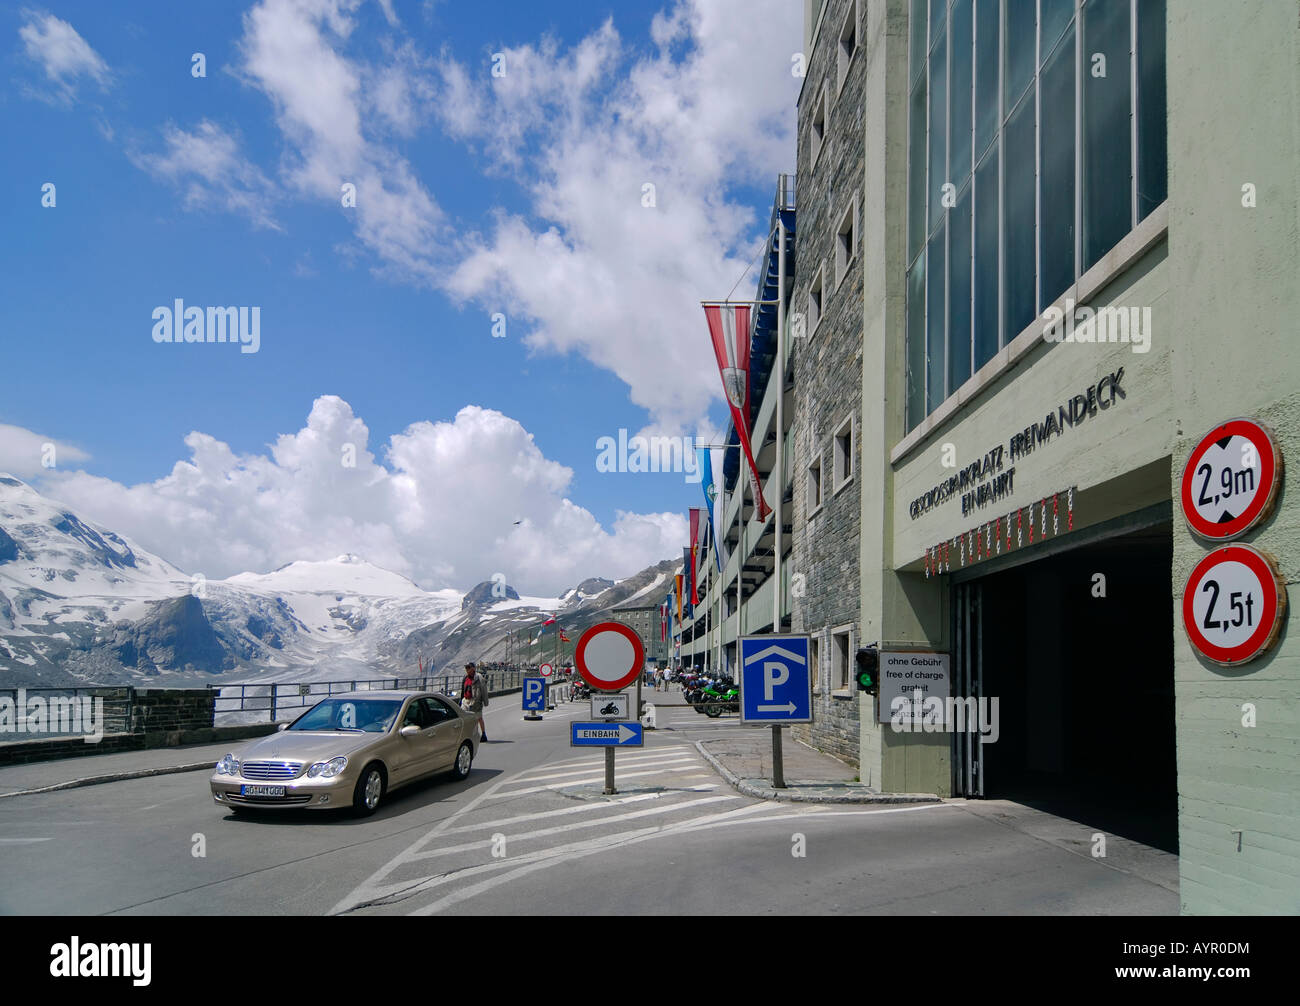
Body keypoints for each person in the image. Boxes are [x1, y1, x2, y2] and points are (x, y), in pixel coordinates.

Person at [469, 661, 490, 742]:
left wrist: (485, 701)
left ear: (473, 668)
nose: (468, 669)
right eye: (467, 667)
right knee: (472, 719)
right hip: (467, 701)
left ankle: (483, 734)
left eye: (469, 667)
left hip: (477, 701)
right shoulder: (466, 677)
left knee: (479, 718)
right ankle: (475, 735)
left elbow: (484, 689)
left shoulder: (479, 677)